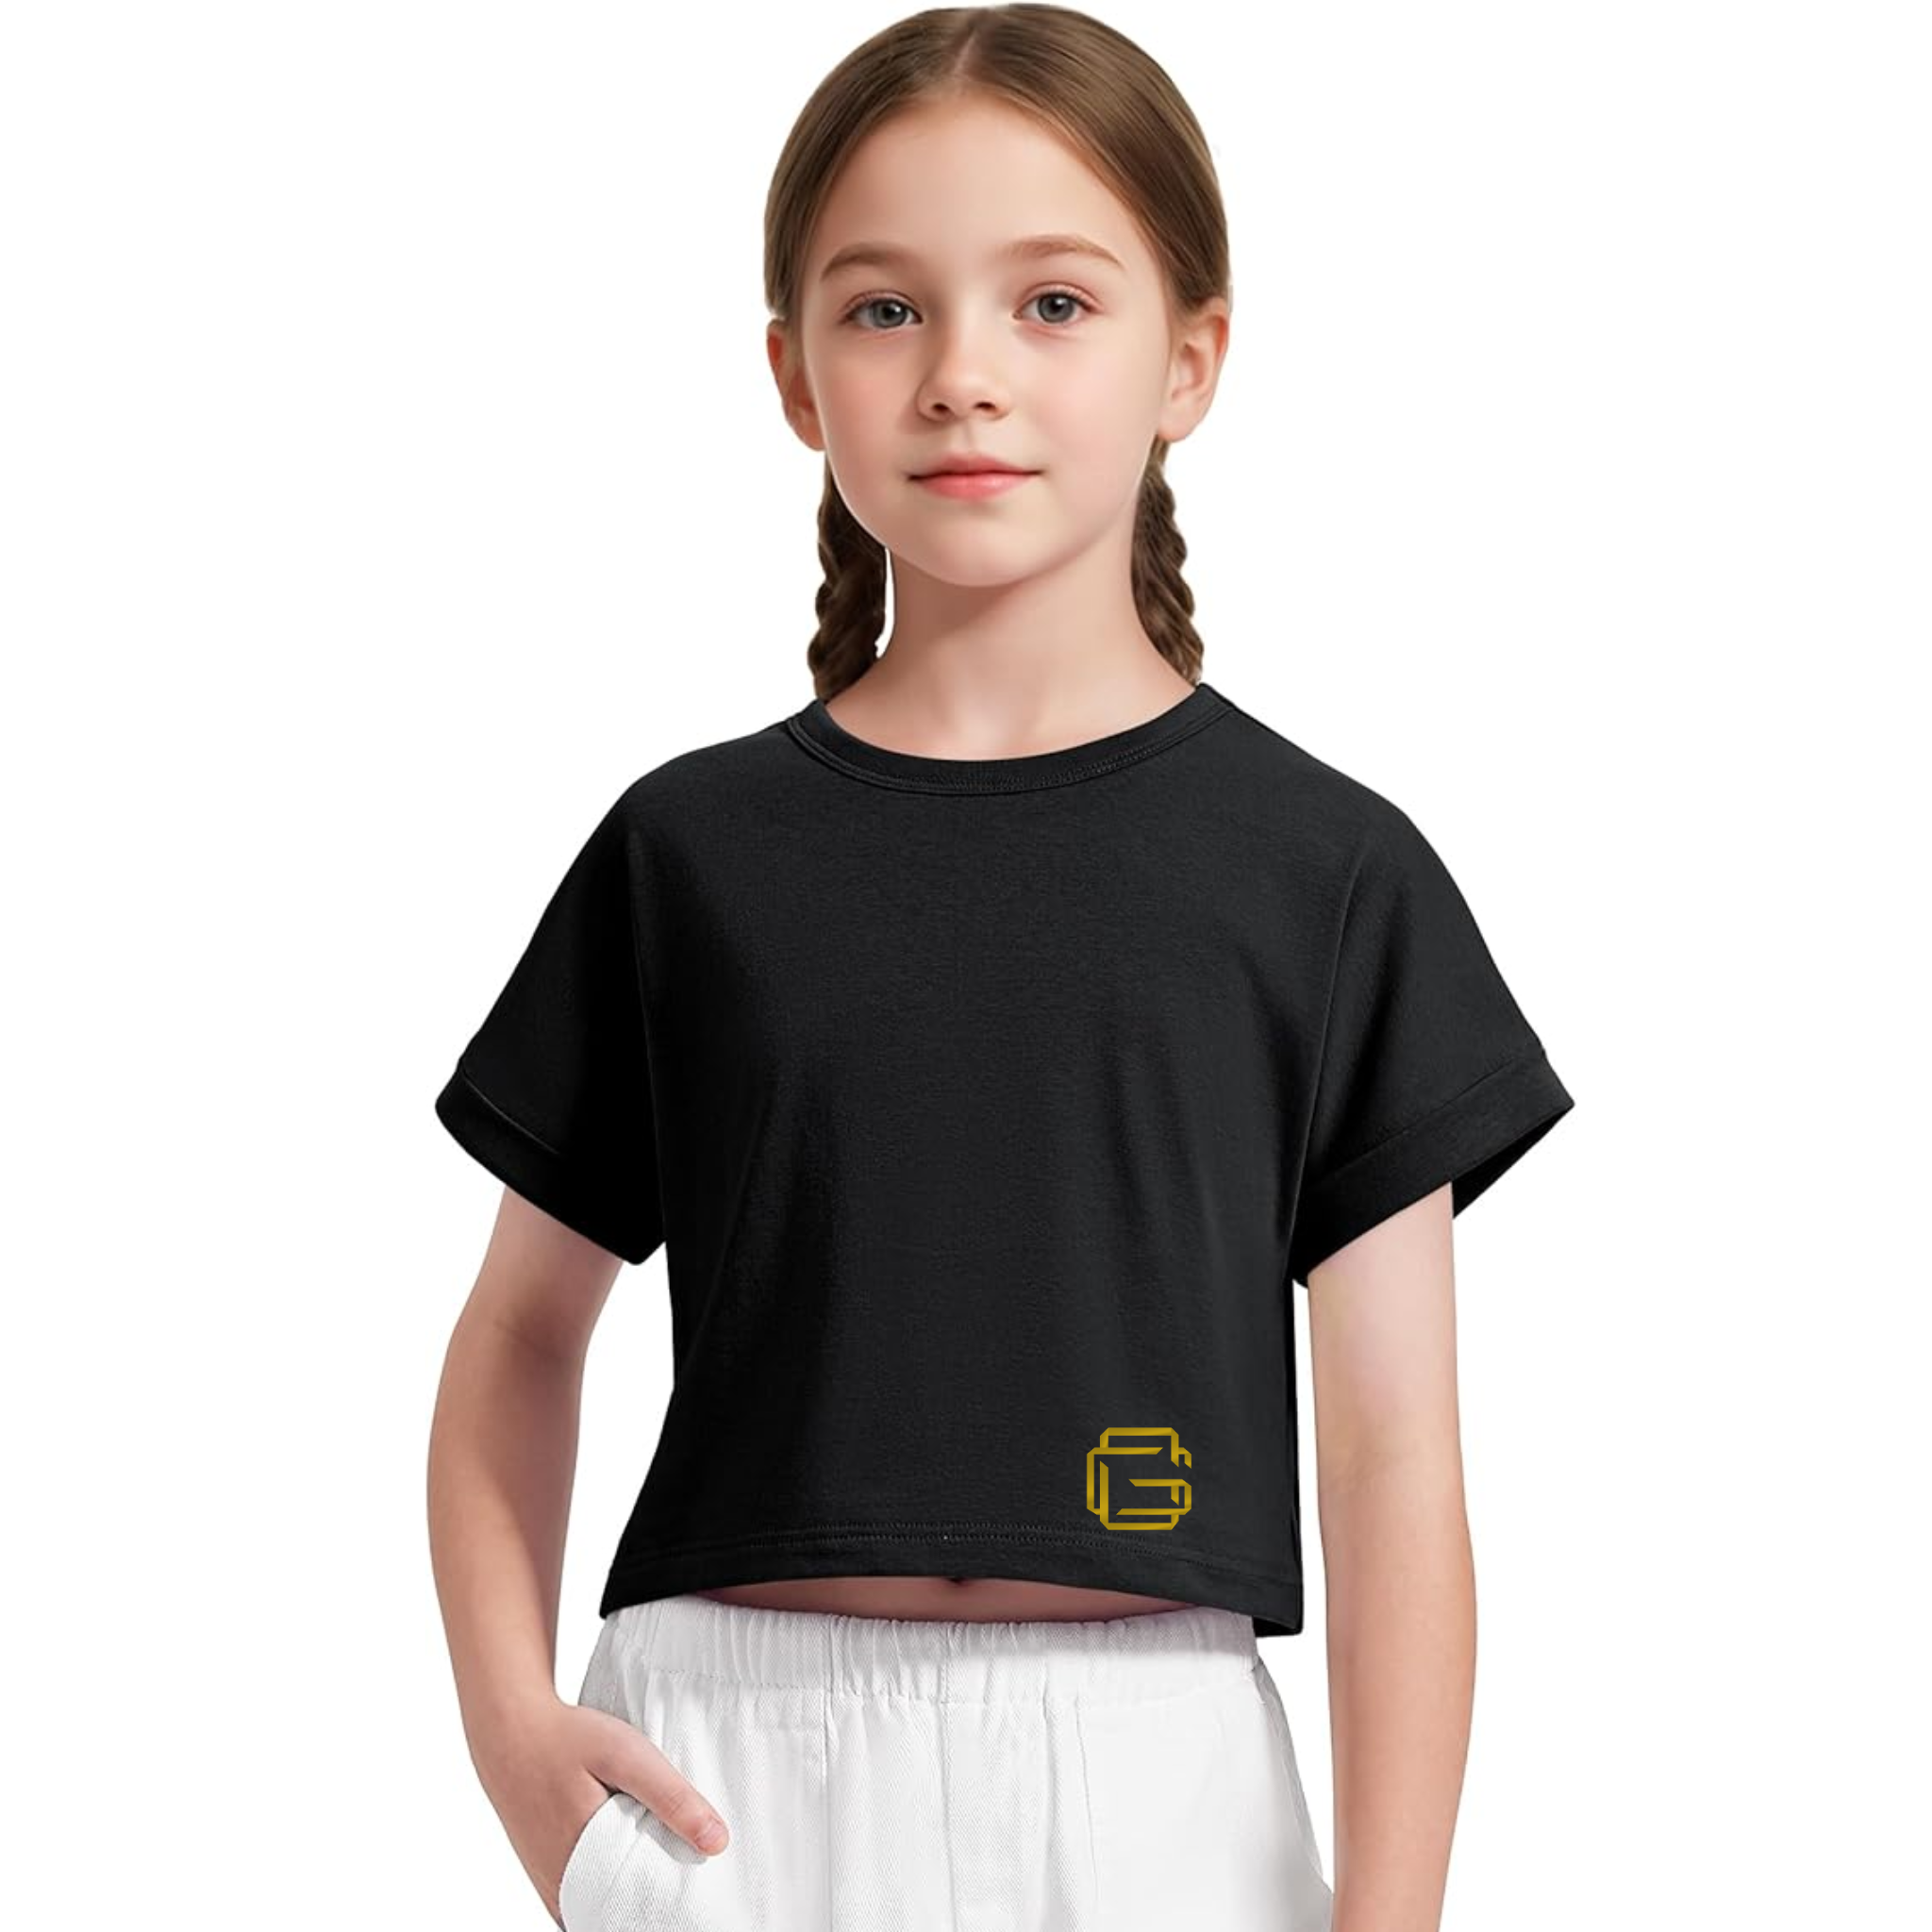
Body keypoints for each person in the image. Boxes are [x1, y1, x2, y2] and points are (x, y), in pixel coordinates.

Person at [426, 8, 1575, 1929]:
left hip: (1162, 1794)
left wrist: (1392, 1918)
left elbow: (1391, 1456)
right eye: (886, 310)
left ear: (1189, 358)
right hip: (727, 1781)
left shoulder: (1330, 874)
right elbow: (520, 1334)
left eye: (1052, 304)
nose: (963, 375)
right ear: (795, 377)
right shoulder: (687, 853)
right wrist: (511, 1735)